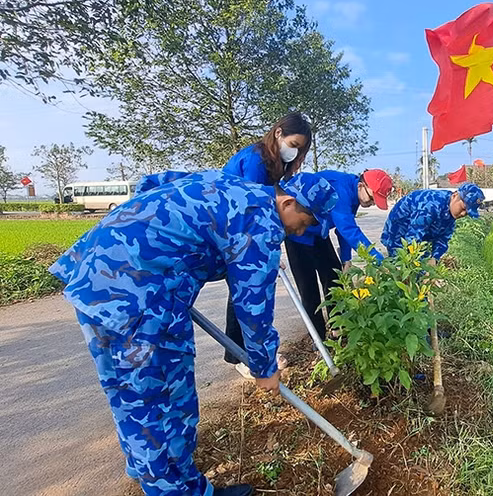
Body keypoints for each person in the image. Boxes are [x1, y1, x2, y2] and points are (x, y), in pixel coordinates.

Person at [49, 170, 337, 496]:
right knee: (164, 403)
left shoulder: (232, 185)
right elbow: (253, 306)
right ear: (287, 202)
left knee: (130, 395)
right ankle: (172, 487)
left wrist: (151, 239)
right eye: (309, 219)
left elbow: (153, 183)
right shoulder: (261, 221)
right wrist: (264, 367)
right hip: (139, 302)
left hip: (95, 280)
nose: (306, 229)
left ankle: (151, 470)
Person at [222, 112, 311, 377]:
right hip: (231, 227)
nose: (293, 154)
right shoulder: (255, 160)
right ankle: (242, 356)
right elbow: (253, 210)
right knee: (245, 291)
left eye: (299, 151)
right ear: (278, 133)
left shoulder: (273, 163)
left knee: (247, 290)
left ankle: (250, 353)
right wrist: (265, 251)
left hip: (242, 230)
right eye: (293, 145)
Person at [285, 169, 393, 341]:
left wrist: (346, 259)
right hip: (297, 233)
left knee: (333, 277)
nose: (372, 203)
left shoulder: (354, 193)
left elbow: (344, 227)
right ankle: (318, 338)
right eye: (372, 198)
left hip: (319, 232)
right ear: (361, 185)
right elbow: (349, 230)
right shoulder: (341, 189)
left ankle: (337, 328)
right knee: (308, 288)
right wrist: (380, 263)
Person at [381, 182, 485, 263]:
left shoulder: (450, 211)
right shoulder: (431, 205)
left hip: (418, 238)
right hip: (399, 234)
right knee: (401, 269)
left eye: (467, 213)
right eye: (463, 208)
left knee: (424, 269)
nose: (463, 214)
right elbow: (413, 238)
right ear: (455, 196)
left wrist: (434, 258)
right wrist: (423, 268)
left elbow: (443, 238)